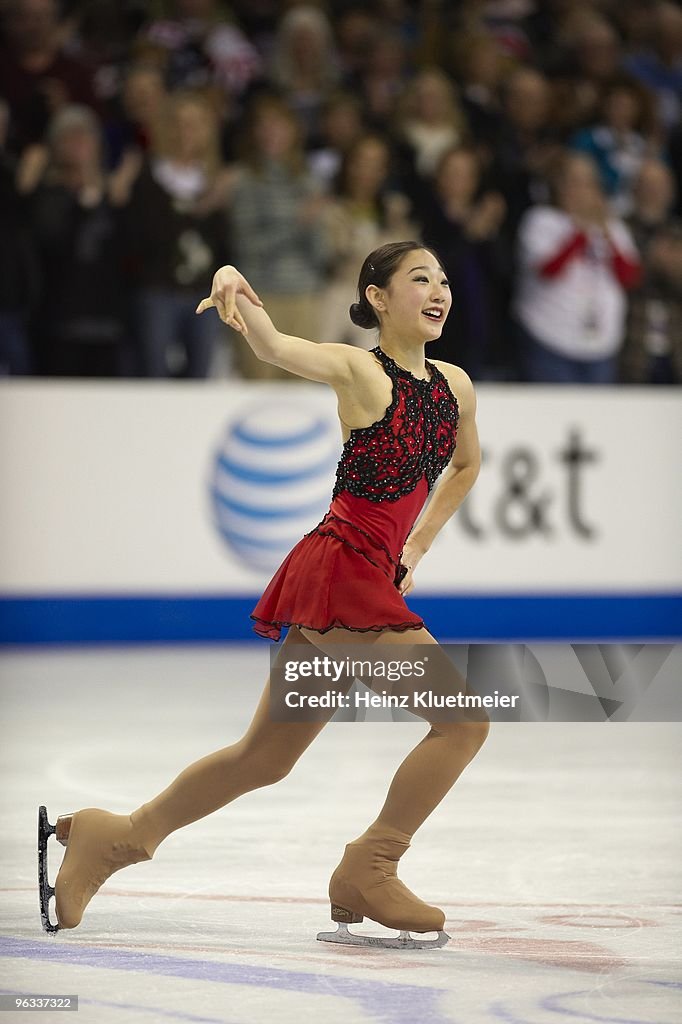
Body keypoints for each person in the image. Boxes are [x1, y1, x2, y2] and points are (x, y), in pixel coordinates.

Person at [43, 241, 488, 948]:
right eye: (418, 278)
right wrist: (232, 284)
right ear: (376, 296)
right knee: (462, 720)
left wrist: (418, 545)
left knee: (264, 758)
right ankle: (370, 867)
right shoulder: (358, 370)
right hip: (341, 575)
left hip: (365, 575)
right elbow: (278, 347)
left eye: (442, 278)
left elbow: (466, 464)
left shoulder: (455, 386)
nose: (438, 290)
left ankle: (115, 837)